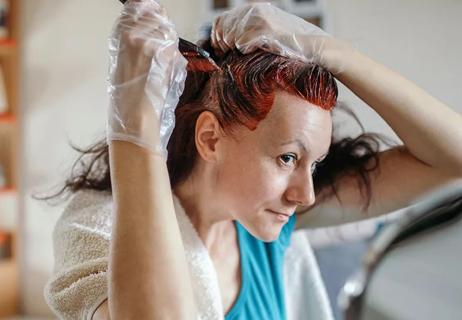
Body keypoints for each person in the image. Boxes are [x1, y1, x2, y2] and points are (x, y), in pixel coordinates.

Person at [41, 1, 462, 319]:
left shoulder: (266, 232)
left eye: (312, 165)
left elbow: (453, 161)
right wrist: (136, 130)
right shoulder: (96, 230)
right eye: (287, 158)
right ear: (210, 138)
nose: (306, 194)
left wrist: (332, 52)